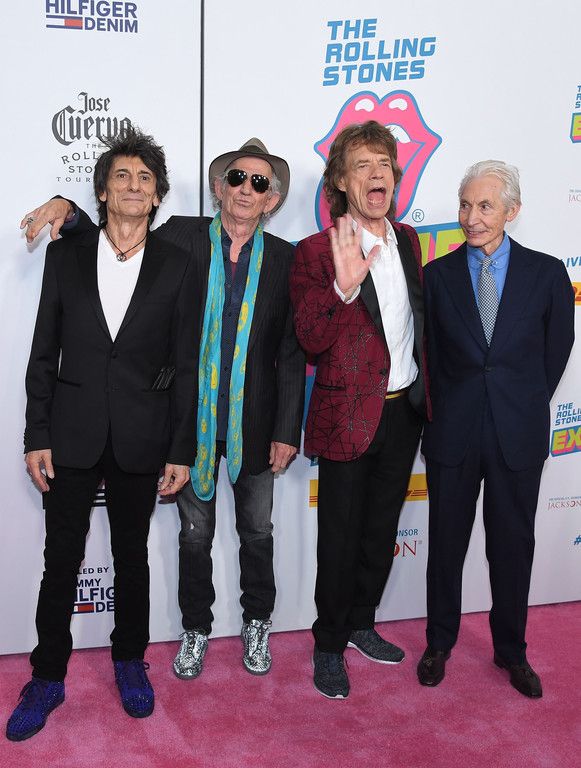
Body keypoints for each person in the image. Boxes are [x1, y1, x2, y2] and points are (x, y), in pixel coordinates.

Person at [21, 138, 305, 680]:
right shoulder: (183, 238)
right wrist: (65, 208)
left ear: (271, 199)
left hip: (245, 422)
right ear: (219, 188)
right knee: (185, 537)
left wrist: (288, 427)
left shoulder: (284, 259)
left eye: (259, 183)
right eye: (237, 178)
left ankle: (250, 625)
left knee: (256, 532)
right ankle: (185, 632)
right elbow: (105, 235)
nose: (246, 189)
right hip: (163, 424)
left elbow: (290, 351)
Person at [7, 129, 197, 742]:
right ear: (104, 192)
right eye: (122, 176)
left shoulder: (177, 264)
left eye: (145, 178)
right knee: (60, 559)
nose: (134, 186)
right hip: (71, 433)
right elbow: (43, 352)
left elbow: (187, 364)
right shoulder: (67, 256)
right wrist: (36, 434)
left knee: (131, 558)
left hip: (143, 436)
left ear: (157, 195)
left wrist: (181, 448)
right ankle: (46, 675)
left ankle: (129, 661)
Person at [417, 160, 574, 698]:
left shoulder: (547, 274)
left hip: (517, 434)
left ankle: (511, 650)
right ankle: (439, 643)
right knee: (445, 547)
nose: (472, 217)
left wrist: (520, 402)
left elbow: (555, 353)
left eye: (485, 206)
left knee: (512, 548)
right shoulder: (436, 276)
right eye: (465, 205)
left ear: (513, 211)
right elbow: (429, 357)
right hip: (452, 433)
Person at [290, 120, 428, 699]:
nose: (377, 175)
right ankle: (328, 644)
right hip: (346, 417)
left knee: (379, 532)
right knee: (340, 539)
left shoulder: (409, 240)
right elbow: (309, 338)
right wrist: (342, 288)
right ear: (341, 183)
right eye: (362, 166)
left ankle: (362, 624)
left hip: (403, 413)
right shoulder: (315, 251)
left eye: (384, 165)